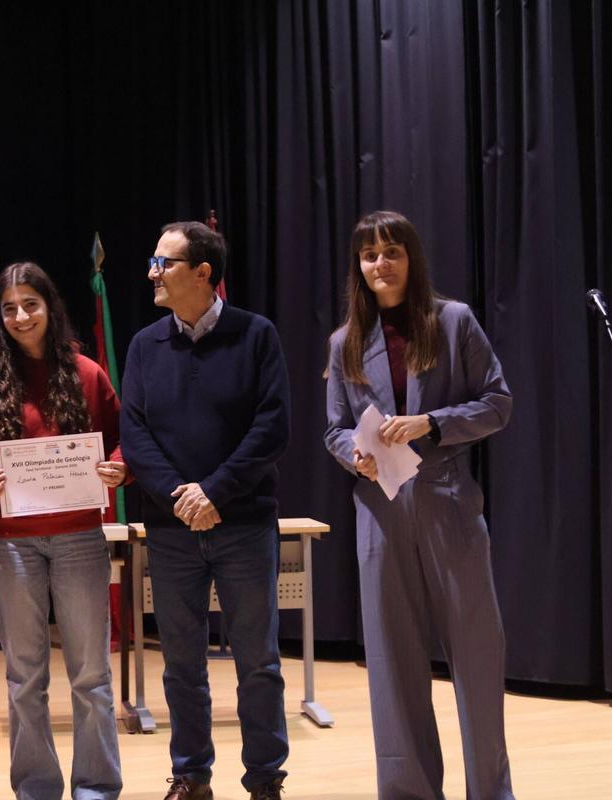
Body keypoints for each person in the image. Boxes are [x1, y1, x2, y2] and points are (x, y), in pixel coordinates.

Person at [324, 210, 516, 800]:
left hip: (447, 499)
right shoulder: (345, 341)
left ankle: (490, 791)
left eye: (391, 252)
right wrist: (350, 455)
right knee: (392, 661)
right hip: (379, 508)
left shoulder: (452, 321)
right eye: (369, 255)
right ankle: (408, 791)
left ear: (412, 258)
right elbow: (334, 428)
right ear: (358, 267)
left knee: (477, 658)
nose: (380, 265)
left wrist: (433, 422)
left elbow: (497, 403)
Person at [120, 222, 290, 800]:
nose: (151, 273)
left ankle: (265, 779)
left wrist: (214, 491)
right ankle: (191, 775)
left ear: (202, 274)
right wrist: (181, 496)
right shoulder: (145, 344)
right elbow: (135, 434)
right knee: (181, 665)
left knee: (258, 662)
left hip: (242, 524)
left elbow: (271, 427)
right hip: (171, 529)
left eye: (162, 262)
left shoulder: (256, 335)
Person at [0, 262, 126, 800]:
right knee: (24, 679)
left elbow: (120, 437)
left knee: (90, 675)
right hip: (12, 542)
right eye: (9, 308)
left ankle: (97, 788)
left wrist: (118, 466)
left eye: (30, 305)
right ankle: (37, 789)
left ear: (50, 308)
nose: (20, 316)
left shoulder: (86, 372)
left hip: (80, 538)